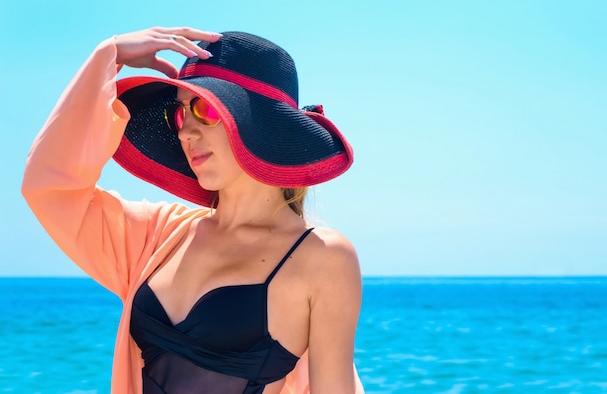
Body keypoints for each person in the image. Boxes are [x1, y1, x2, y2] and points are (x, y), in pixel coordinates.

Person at [22, 27, 363, 394]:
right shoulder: (159, 236)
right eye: (181, 114)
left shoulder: (322, 258)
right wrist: (108, 58)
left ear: (260, 123)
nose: (186, 133)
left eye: (204, 109)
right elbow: (51, 189)